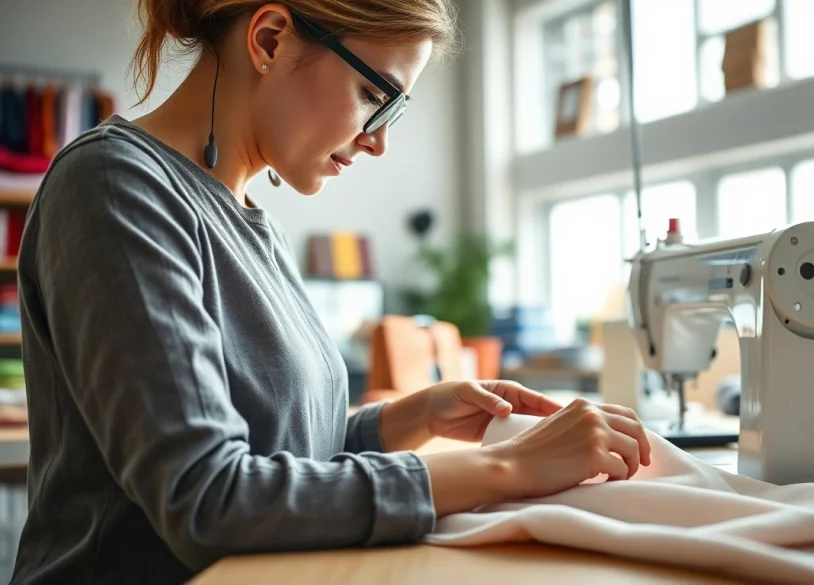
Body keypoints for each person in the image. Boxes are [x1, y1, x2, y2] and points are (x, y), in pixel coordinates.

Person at [10, 1, 653, 583]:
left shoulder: (254, 226)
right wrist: (507, 467)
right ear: (270, 39)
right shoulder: (114, 187)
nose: (378, 140)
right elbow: (207, 498)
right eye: (374, 94)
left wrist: (412, 416)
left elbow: (282, 453)